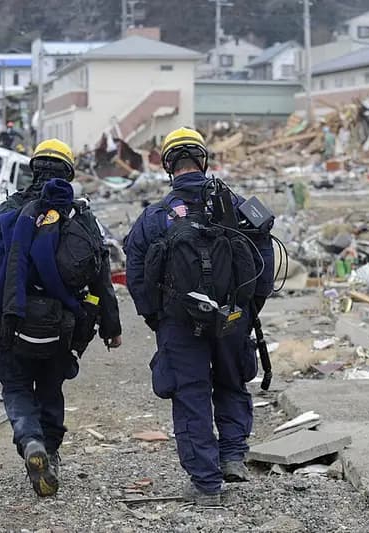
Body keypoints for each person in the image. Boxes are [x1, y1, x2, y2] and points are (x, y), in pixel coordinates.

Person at [123, 127, 275, 506]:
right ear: (203, 160)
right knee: (231, 382)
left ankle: (207, 485)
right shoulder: (237, 206)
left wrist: (156, 317)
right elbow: (264, 259)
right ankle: (233, 456)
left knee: (190, 394)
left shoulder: (155, 217)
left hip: (179, 321)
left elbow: (136, 274)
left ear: (167, 165)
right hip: (233, 314)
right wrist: (248, 307)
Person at [0, 138, 122, 497]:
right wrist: (110, 328)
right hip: (63, 325)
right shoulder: (81, 217)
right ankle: (49, 451)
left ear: (33, 168)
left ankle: (30, 440)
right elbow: (101, 276)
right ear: (69, 173)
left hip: (13, 320)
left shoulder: (10, 209)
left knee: (16, 385)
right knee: (51, 387)